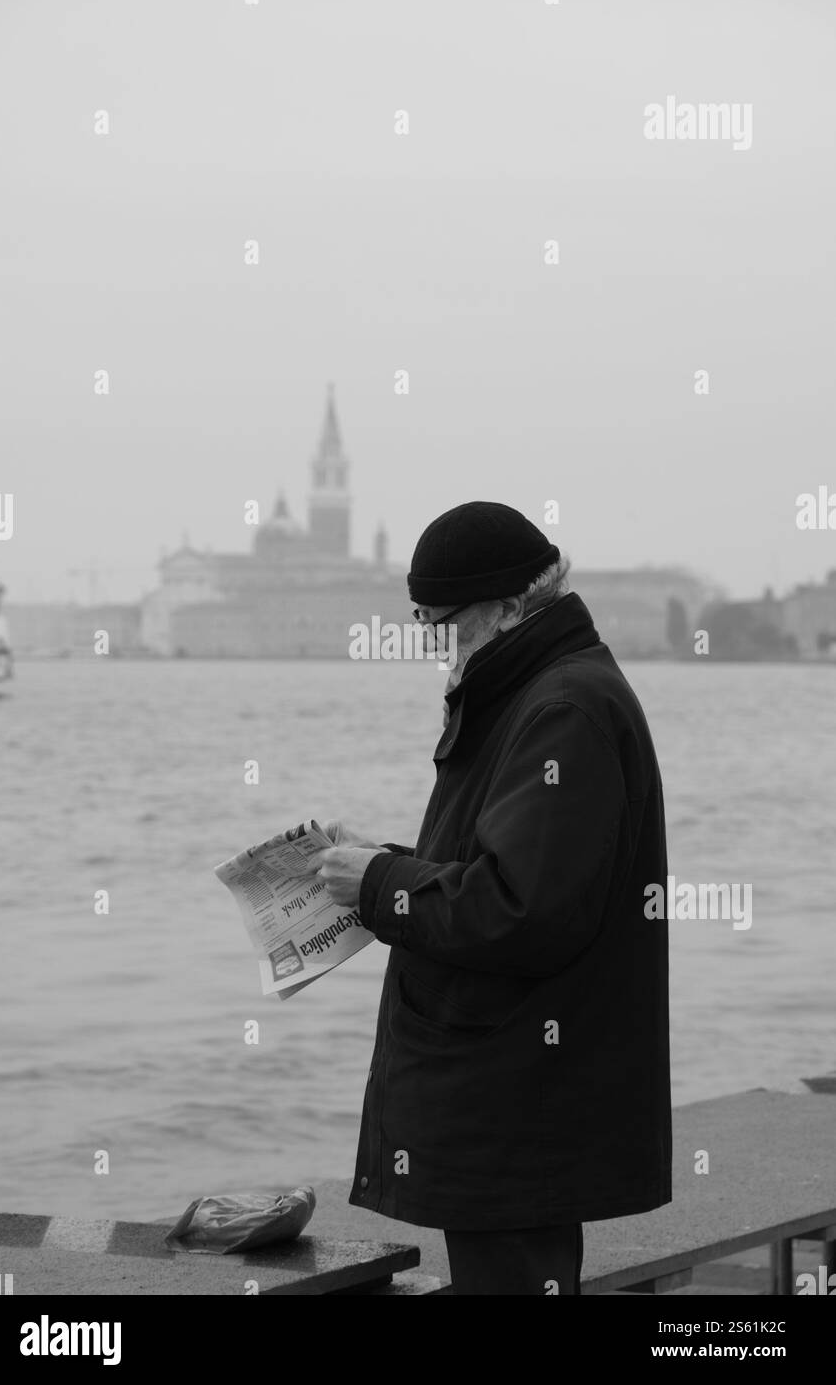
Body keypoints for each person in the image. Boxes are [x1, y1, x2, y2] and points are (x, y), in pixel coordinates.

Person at [310, 501, 672, 1295]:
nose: (443, 644)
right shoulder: (541, 690)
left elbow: (521, 910)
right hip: (513, 1087)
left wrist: (378, 886)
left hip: (519, 1091)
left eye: (450, 624)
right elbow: (508, 870)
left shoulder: (561, 709)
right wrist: (386, 866)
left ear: (510, 608)